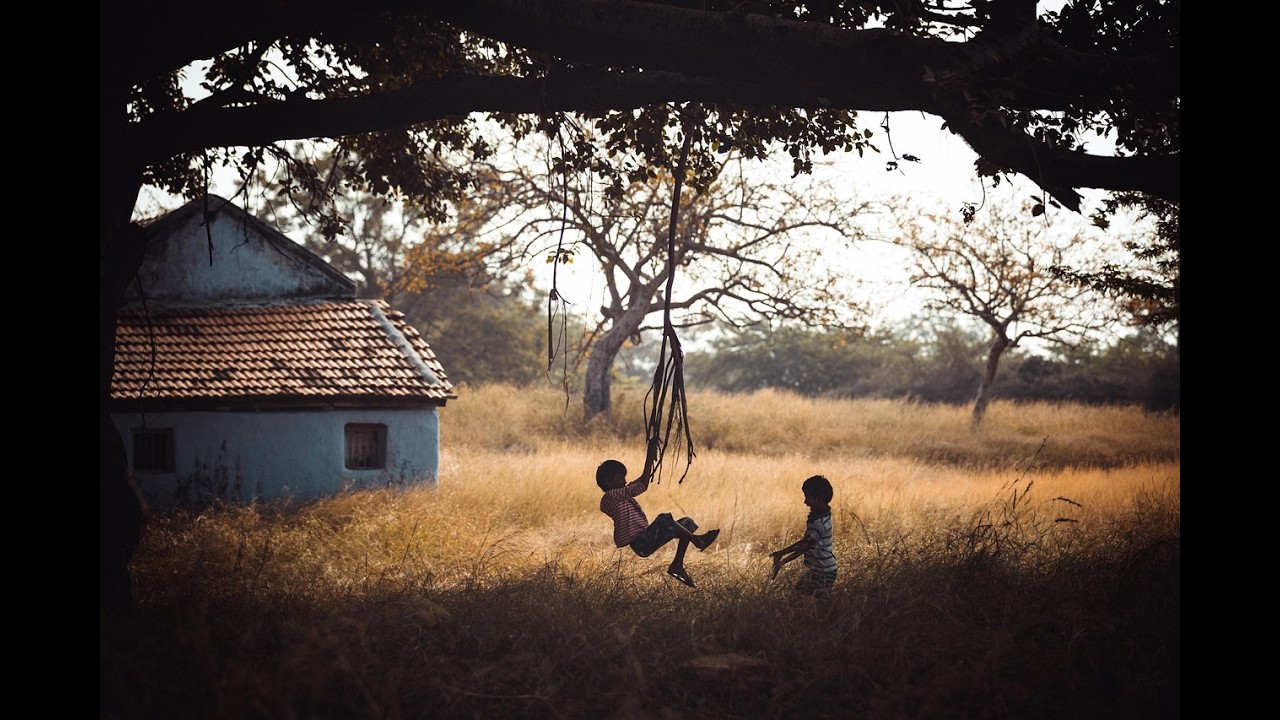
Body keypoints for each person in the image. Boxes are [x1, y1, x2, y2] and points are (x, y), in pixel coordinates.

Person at [597, 440, 719, 588]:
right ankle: (697, 540)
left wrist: (651, 458)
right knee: (664, 519)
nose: (624, 481)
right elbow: (642, 484)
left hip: (646, 536)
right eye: (620, 478)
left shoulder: (620, 494)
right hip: (641, 542)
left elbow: (640, 481)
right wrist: (649, 457)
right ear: (607, 482)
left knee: (686, 522)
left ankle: (677, 565)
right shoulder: (610, 496)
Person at [769, 474, 837, 597]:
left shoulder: (819, 523)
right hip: (821, 570)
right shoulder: (822, 515)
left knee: (800, 599)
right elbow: (805, 542)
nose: (805, 501)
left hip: (823, 572)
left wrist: (783, 561)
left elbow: (805, 547)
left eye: (808, 497)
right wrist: (781, 553)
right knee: (805, 598)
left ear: (819, 498)